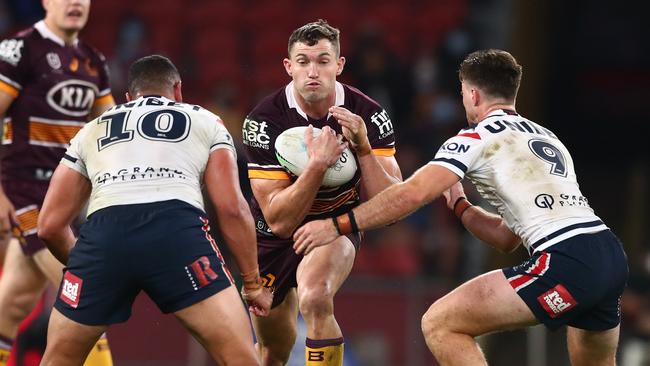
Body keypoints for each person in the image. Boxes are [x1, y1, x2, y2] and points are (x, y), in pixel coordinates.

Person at [294, 49, 628, 366]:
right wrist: (460, 206)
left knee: (441, 323)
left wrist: (335, 225)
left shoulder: (474, 139)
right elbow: (506, 237)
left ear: (472, 94)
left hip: (565, 260)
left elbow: (408, 196)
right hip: (607, 254)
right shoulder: (546, 138)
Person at [36, 54, 273, 365]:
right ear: (178, 90)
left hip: (103, 238)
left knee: (57, 360)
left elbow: (49, 226)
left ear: (127, 97)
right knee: (241, 357)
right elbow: (230, 207)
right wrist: (253, 284)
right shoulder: (204, 119)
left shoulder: (92, 129)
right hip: (176, 233)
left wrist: (91, 266)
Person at [242, 20, 402, 366]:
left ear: (339, 65)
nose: (312, 71)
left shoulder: (369, 116)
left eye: (323, 60)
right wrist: (318, 166)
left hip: (335, 224)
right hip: (272, 237)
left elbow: (393, 207)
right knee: (272, 351)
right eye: (303, 61)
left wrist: (363, 150)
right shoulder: (264, 121)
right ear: (288, 67)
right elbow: (279, 221)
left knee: (315, 297)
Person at [0, 0, 115, 364]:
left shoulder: (93, 61)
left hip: (66, 195)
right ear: (46, 1)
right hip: (25, 194)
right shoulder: (19, 50)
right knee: (85, 292)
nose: (76, 3)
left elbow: (111, 127)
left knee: (12, 305)